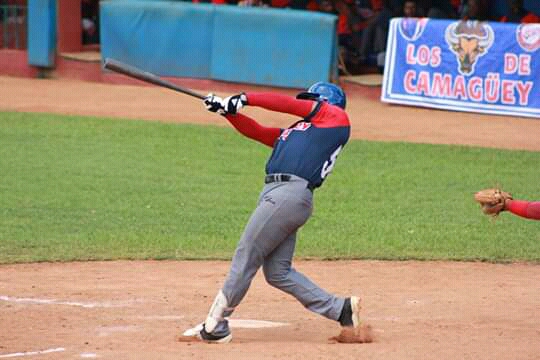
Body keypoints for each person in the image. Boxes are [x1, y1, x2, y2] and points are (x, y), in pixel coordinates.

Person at [180, 83, 371, 344]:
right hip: (282, 196)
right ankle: (341, 309)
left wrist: (244, 98)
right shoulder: (301, 131)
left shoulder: (336, 118)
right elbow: (258, 132)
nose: (306, 105)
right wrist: (228, 113)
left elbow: (288, 104)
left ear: (326, 103)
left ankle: (216, 325)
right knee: (278, 272)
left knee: (247, 253)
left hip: (289, 195)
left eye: (312, 101)